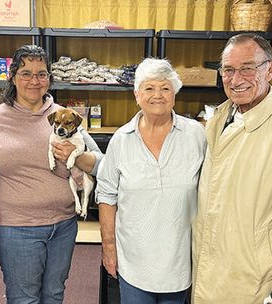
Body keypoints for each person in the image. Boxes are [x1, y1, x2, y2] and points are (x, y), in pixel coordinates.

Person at [191, 33, 272, 304]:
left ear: (271, 69)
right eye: (228, 70)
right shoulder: (217, 118)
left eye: (248, 69)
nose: (236, 79)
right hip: (207, 271)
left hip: (255, 283)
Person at [0, 44, 103, 304]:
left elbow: (102, 163)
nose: (34, 81)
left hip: (63, 226)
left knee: (54, 294)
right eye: (26, 73)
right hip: (17, 228)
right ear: (13, 77)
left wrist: (78, 157)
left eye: (42, 74)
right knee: (24, 298)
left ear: (49, 78)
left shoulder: (63, 115)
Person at [96, 58, 207, 304]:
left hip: (179, 261)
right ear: (137, 95)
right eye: (149, 88)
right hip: (134, 260)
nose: (158, 95)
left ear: (175, 94)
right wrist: (109, 247)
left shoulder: (196, 135)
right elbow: (106, 195)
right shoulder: (121, 139)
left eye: (165, 88)